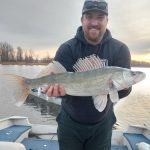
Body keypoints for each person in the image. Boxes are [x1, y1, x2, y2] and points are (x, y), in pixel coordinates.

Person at [43, 0, 132, 149]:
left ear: (107, 21)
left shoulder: (120, 49)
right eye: (89, 16)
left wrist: (125, 88)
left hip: (103, 125)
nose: (94, 22)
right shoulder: (67, 48)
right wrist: (58, 92)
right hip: (69, 123)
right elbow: (59, 81)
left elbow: (123, 92)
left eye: (100, 17)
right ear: (82, 20)